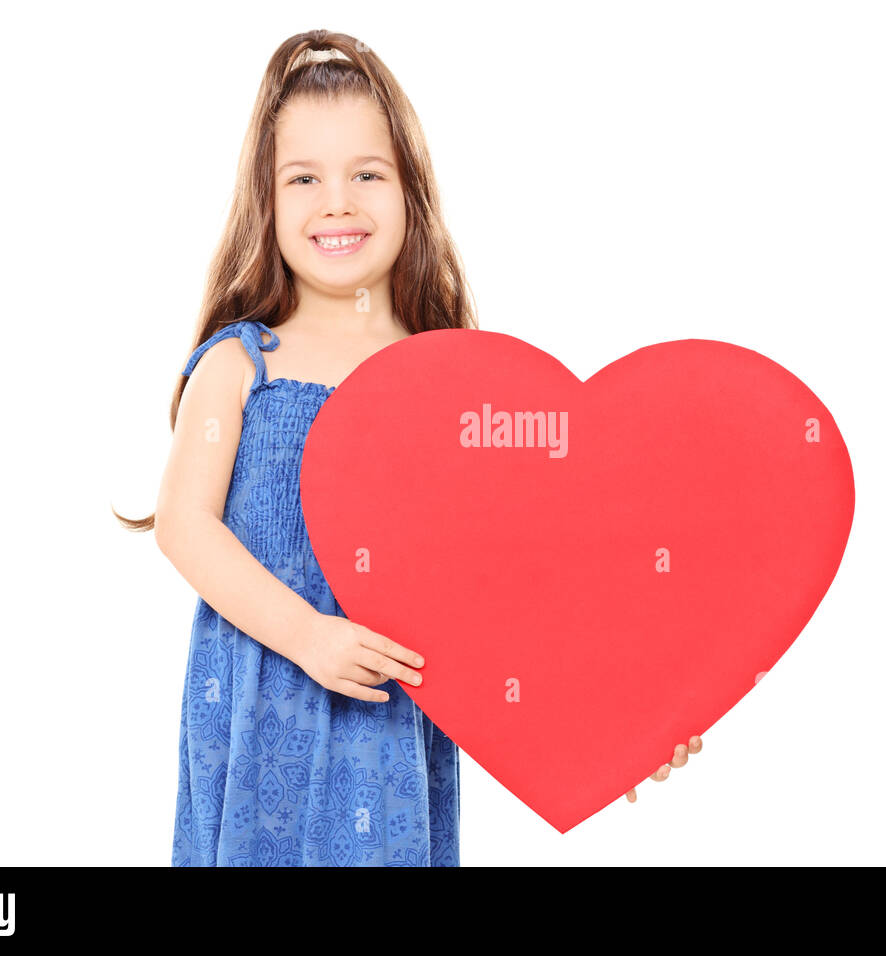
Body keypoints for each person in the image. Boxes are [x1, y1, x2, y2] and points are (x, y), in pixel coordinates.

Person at [114, 29, 699, 866]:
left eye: (367, 174)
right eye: (304, 178)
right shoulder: (243, 362)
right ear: (267, 201)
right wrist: (308, 635)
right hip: (257, 730)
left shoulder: (451, 382)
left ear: (411, 193)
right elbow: (184, 525)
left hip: (388, 744)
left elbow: (503, 586)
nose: (337, 202)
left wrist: (616, 730)